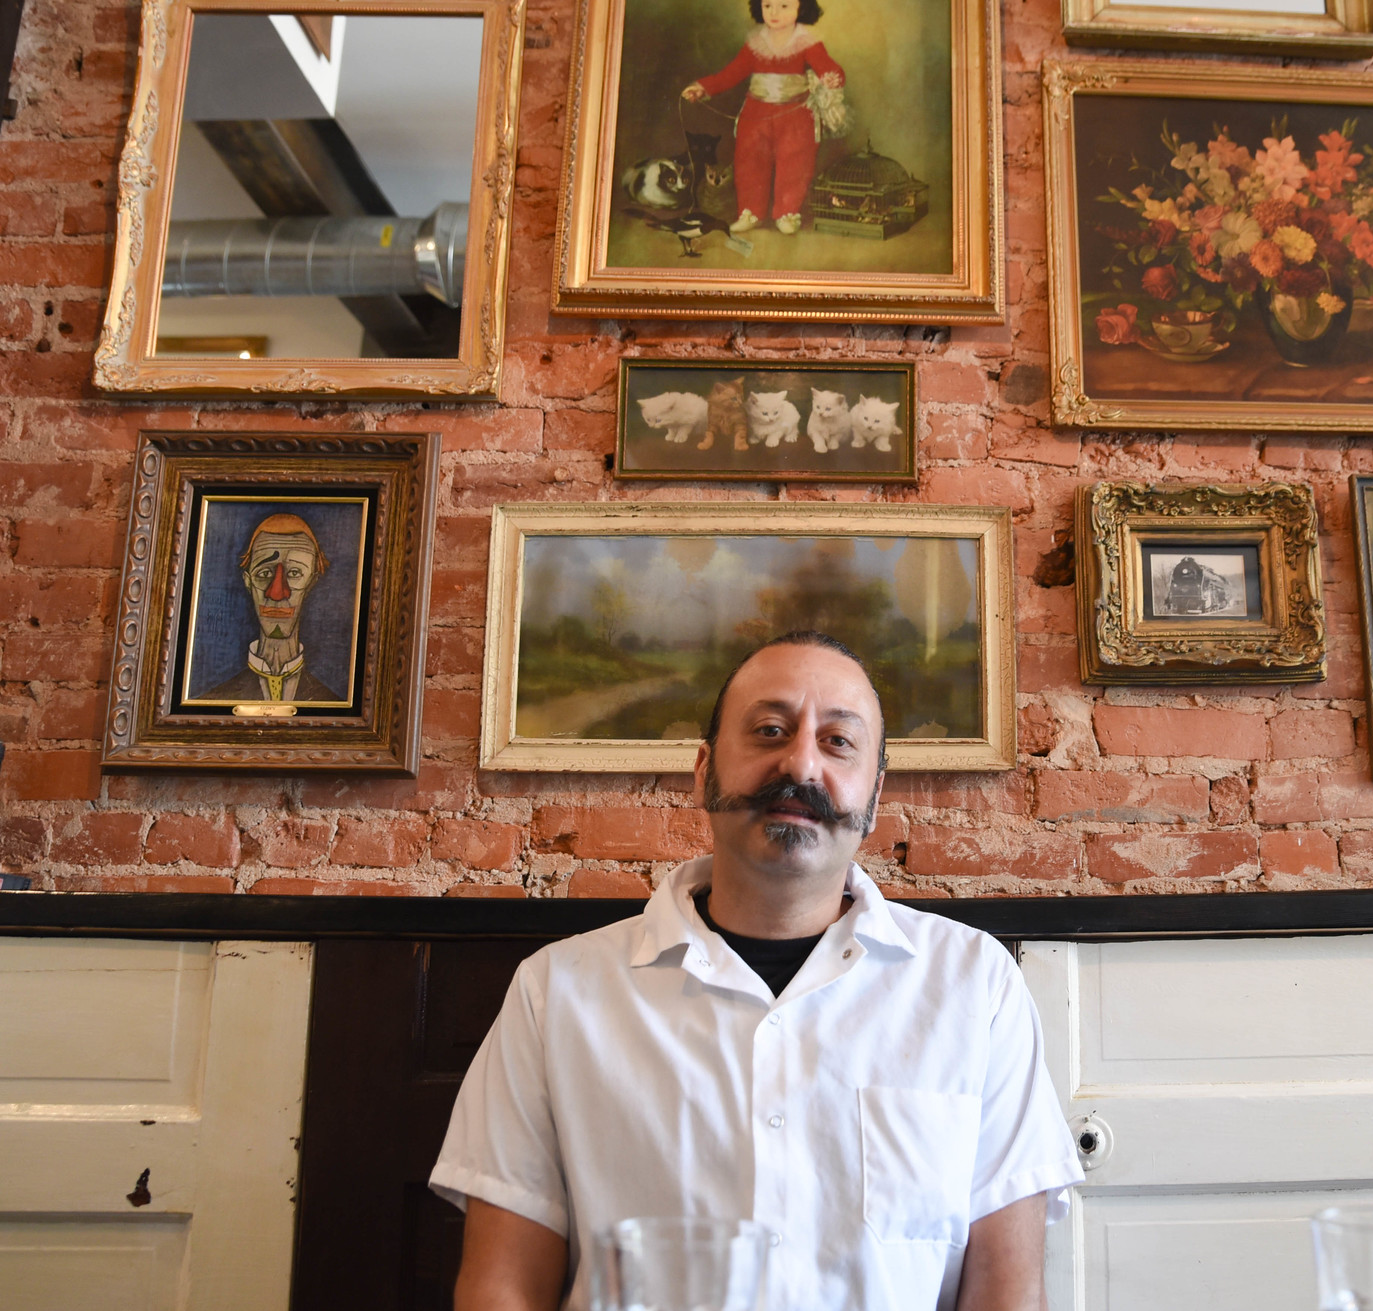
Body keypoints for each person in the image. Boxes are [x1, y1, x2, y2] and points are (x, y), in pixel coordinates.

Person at [432, 630, 1081, 1311]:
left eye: (838, 742)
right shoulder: (555, 992)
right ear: (703, 770)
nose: (799, 763)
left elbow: (1008, 1294)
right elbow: (503, 1287)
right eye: (769, 730)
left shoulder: (975, 987)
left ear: (875, 793)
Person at [682, 0, 846, 236]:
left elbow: (829, 67)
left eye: (784, 6)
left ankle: (787, 213)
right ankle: (751, 212)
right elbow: (731, 73)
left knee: (795, 163)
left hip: (795, 113)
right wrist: (703, 87)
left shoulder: (808, 42)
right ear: (759, 7)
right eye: (767, 5)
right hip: (755, 113)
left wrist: (831, 77)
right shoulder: (755, 43)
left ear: (801, 9)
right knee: (749, 161)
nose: (774, 13)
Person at [193, 512, 343, 703]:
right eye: (264, 573)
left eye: (295, 573)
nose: (277, 593)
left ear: (311, 583)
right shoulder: (213, 700)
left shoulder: (333, 703)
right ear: (248, 582)